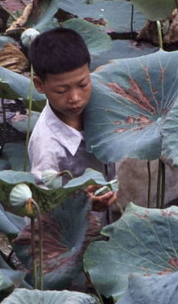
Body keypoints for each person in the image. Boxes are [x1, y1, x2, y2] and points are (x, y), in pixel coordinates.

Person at [26, 27, 117, 210]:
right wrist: (85, 203)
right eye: (62, 90)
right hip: (75, 227)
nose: (75, 98)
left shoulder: (104, 101)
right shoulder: (46, 146)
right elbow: (44, 205)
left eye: (83, 84)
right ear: (39, 84)